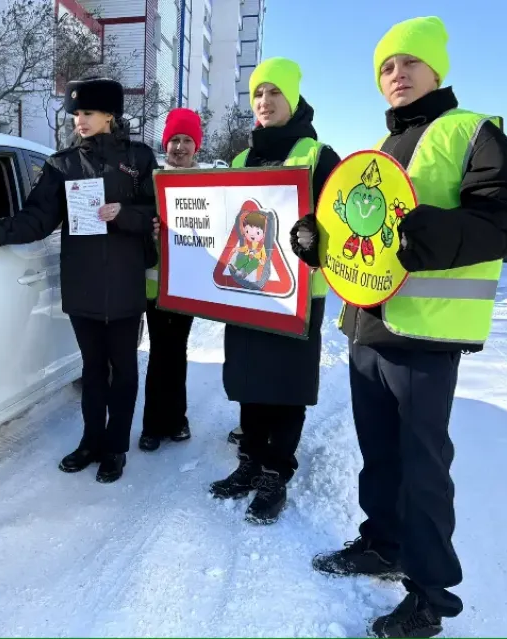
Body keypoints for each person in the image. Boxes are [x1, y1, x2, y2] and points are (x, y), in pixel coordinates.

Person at [291, 17, 507, 638]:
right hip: (368, 327)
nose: (396, 75)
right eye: (385, 67)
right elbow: (362, 233)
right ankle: (382, 543)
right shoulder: (376, 153)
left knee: (422, 465)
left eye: (408, 63)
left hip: (428, 336)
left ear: (437, 69)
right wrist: (315, 240)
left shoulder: (470, 132)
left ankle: (431, 596)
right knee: (378, 454)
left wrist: (439, 235)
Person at [0, 77, 158, 484]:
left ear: (110, 114)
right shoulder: (62, 164)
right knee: (92, 370)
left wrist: (123, 215)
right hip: (84, 284)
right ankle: (91, 441)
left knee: (124, 370)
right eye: (76, 113)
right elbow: (38, 217)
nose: (80, 120)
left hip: (127, 284)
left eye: (88, 112)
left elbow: (155, 212)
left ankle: (116, 447)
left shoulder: (140, 158)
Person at [208, 57, 341, 525]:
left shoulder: (318, 155)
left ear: (293, 98)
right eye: (258, 94)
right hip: (248, 290)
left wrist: (315, 234)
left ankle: (275, 471)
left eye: (274, 93)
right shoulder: (243, 159)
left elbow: (343, 225)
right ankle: (249, 461)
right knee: (248, 377)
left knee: (285, 383)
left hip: (297, 296)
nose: (264, 102)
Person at [139, 108, 203, 452]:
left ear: (197, 147)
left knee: (176, 349)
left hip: (189, 284)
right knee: (159, 350)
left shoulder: (208, 185)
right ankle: (154, 425)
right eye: (174, 140)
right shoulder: (153, 181)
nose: (179, 146)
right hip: (155, 282)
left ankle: (176, 419)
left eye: (187, 140)